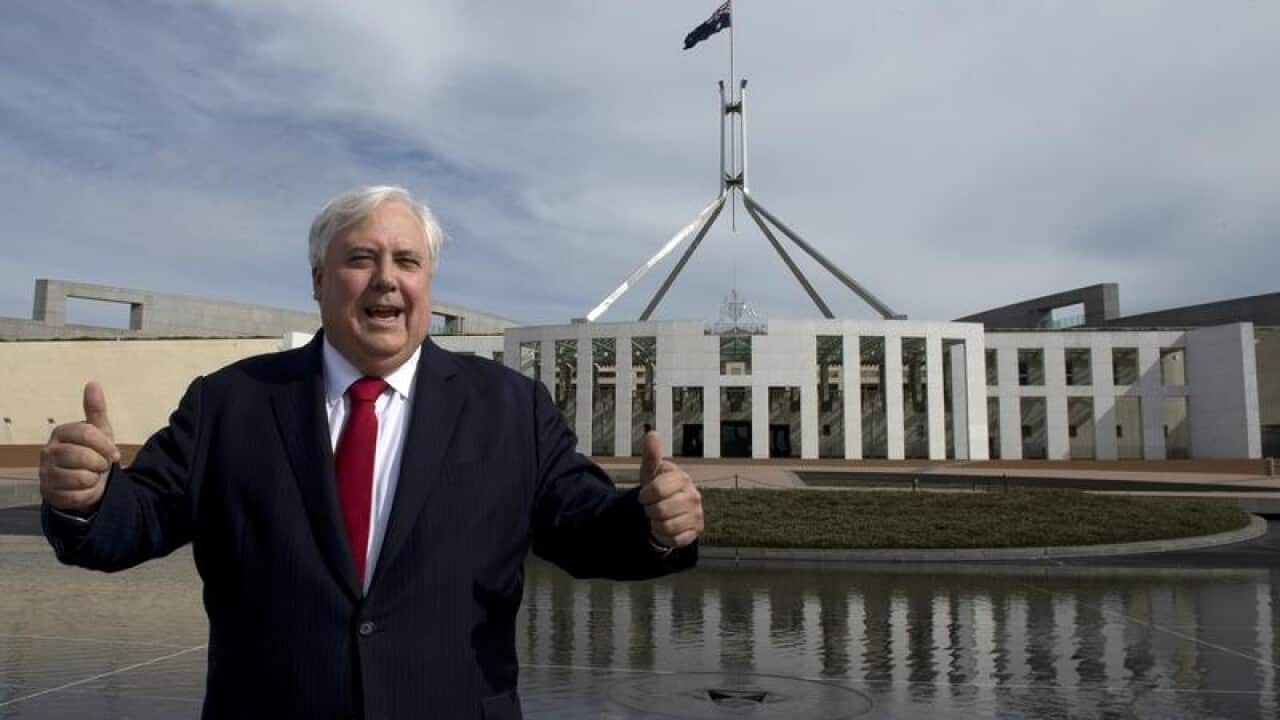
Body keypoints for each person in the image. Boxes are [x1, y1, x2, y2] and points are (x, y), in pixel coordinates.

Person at [39, 185, 704, 719]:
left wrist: (652, 523)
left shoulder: (510, 408)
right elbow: (133, 521)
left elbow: (585, 529)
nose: (387, 280)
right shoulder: (229, 404)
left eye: (407, 261)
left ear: (428, 285)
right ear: (319, 280)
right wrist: (86, 499)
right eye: (361, 259)